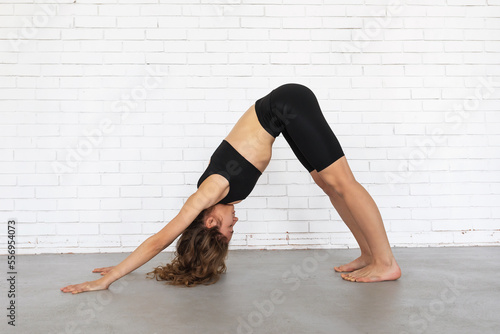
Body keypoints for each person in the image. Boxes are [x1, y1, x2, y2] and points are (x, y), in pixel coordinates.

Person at [61, 83, 401, 294]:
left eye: (227, 231)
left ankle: (385, 262)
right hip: (282, 116)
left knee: (342, 181)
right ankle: (368, 253)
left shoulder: (210, 193)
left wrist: (111, 277)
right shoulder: (219, 197)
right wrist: (121, 265)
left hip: (287, 104)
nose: (234, 225)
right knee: (327, 182)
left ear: (209, 222)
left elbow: (159, 239)